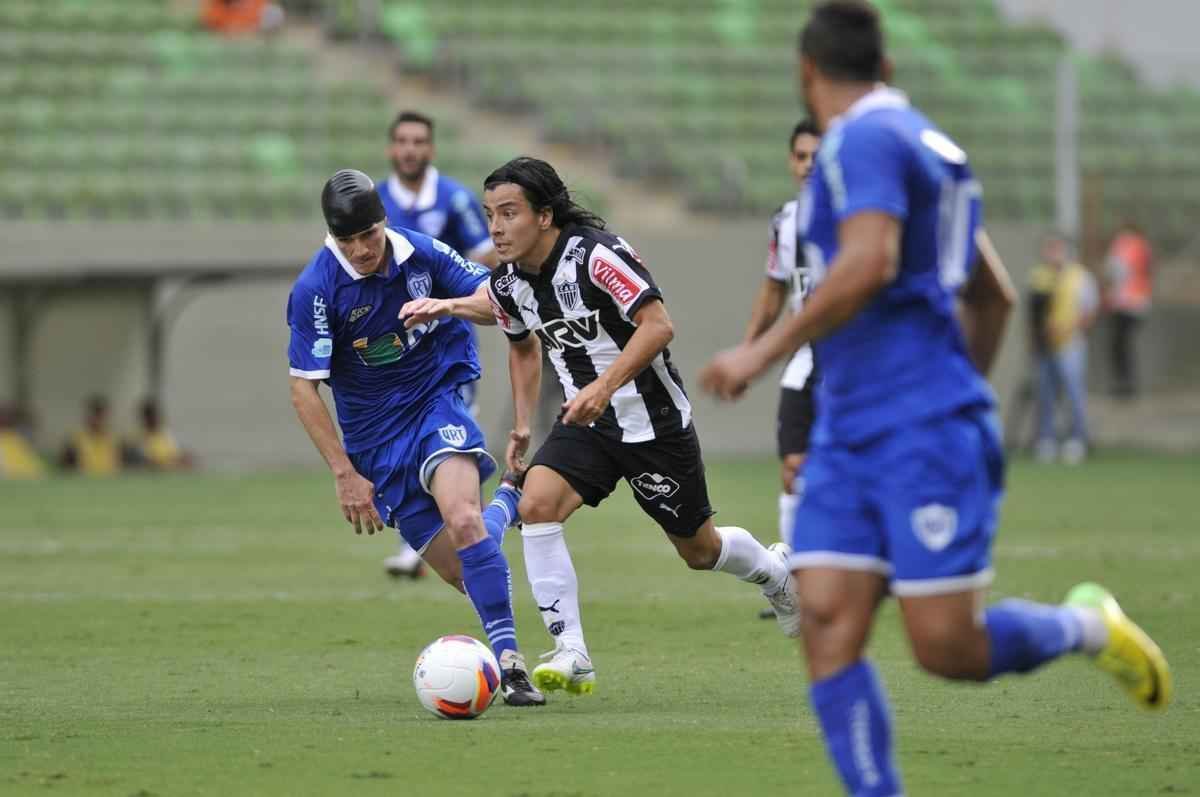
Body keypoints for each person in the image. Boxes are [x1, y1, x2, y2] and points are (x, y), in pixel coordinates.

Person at [698, 3, 1170, 794]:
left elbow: (870, 263)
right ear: (886, 67)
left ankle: (1090, 625)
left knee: (947, 646)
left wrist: (762, 349)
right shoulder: (923, 140)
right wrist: (955, 389)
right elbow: (995, 294)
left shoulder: (865, 141)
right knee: (825, 621)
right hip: (854, 435)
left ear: (807, 72)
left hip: (917, 431)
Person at [404, 156, 801, 699]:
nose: (495, 227)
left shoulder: (597, 256)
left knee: (699, 551)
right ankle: (572, 652)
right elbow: (503, 319)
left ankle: (776, 573)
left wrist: (604, 385)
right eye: (489, 214)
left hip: (652, 424)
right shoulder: (512, 281)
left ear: (544, 216)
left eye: (509, 213)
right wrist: (448, 308)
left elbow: (658, 325)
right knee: (536, 503)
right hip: (586, 424)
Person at [286, 168, 543, 706]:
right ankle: (508, 503)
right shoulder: (316, 288)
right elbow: (304, 391)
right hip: (376, 443)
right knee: (466, 567)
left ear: (384, 222)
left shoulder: (421, 252)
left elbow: (497, 303)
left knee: (463, 518)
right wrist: (345, 473)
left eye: (368, 235)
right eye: (347, 240)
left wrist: (447, 306)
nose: (360, 249)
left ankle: (512, 666)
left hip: (435, 403)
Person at [377, 110, 501, 579]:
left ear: (431, 148)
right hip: (388, 351)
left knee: (448, 435)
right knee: (400, 441)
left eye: (419, 141)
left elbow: (485, 261)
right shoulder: (375, 200)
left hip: (444, 347)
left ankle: (452, 536)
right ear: (392, 148)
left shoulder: (453, 200)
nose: (410, 149)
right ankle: (451, 535)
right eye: (403, 141)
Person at [738, 119, 822, 619]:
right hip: (809, 359)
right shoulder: (785, 222)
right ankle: (797, 583)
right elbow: (774, 288)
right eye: (801, 156)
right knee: (793, 467)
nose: (809, 164)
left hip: (862, 362)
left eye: (818, 154)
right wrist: (750, 352)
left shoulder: (864, 216)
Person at [1029, 234, 1099, 465]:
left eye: (1057, 250)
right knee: (1045, 394)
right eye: (1050, 250)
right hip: (1045, 345)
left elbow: (1089, 311)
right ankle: (1046, 439)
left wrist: (1069, 329)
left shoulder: (1081, 277)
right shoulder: (1039, 276)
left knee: (1073, 392)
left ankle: (1077, 439)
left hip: (1071, 343)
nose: (1053, 255)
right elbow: (1032, 313)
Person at [1104, 222, 1153, 398]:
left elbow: (1114, 271)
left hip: (1123, 302)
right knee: (1126, 345)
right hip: (1140, 302)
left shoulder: (1122, 244)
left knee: (1120, 346)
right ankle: (1128, 384)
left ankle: (1124, 385)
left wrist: (1109, 294)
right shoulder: (1144, 246)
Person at [126, 398, 195, 471]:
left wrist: (183, 459)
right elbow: (146, 461)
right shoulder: (137, 437)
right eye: (150, 416)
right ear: (144, 417)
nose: (154, 418)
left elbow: (176, 453)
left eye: (155, 415)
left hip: (170, 469)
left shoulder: (164, 434)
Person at [59, 395, 121, 476]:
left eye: (101, 415)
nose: (98, 420)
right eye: (95, 415)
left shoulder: (115, 440)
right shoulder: (73, 442)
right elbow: (65, 470)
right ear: (87, 416)